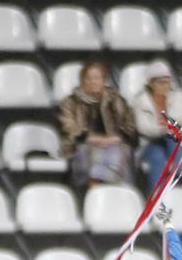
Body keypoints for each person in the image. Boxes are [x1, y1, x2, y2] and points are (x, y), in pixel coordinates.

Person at [58, 61, 137, 190]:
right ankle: (94, 198)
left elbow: (130, 125)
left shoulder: (116, 100)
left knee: (120, 154)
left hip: (115, 143)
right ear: (82, 80)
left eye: (96, 78)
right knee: (92, 159)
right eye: (88, 78)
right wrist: (92, 139)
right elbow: (68, 128)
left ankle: (119, 196)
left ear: (103, 80)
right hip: (83, 144)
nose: (92, 81)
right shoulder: (70, 102)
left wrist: (116, 138)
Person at [130, 63, 182, 191]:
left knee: (171, 138)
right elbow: (142, 127)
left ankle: (178, 172)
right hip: (149, 143)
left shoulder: (178, 98)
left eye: (167, 82)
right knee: (157, 158)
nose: (165, 86)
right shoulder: (140, 101)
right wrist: (164, 128)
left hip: (173, 140)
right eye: (160, 83)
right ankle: (158, 198)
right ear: (150, 83)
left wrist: (170, 127)